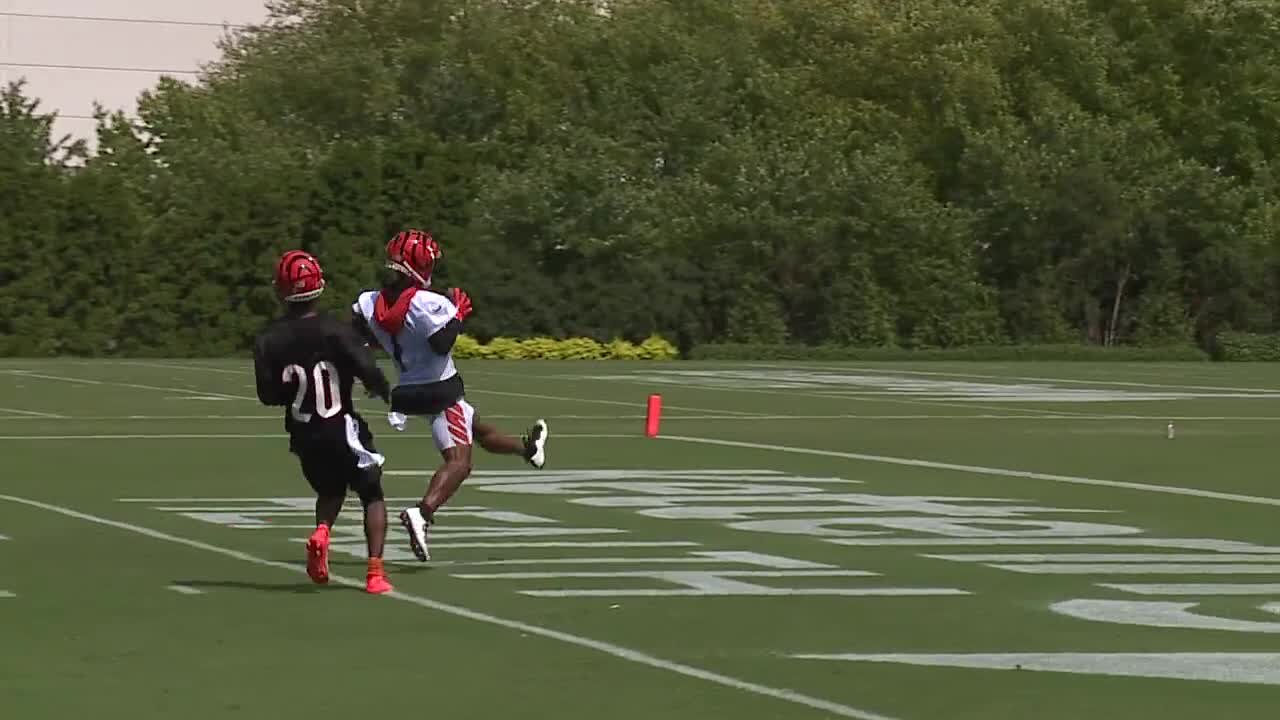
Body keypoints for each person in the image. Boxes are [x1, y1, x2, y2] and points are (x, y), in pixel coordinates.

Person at [350, 229, 548, 562]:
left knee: (474, 426)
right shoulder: (430, 303)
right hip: (439, 388)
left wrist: (373, 364)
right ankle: (422, 513)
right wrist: (457, 316)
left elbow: (356, 334)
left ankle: (527, 449)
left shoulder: (370, 302)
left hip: (406, 390)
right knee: (460, 462)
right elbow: (440, 344)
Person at [253, 249, 395, 595]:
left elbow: (268, 395)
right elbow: (367, 369)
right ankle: (375, 573)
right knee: (371, 493)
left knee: (330, 489)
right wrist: (384, 392)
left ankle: (322, 531)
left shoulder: (268, 340)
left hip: (304, 434)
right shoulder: (337, 331)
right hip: (341, 425)